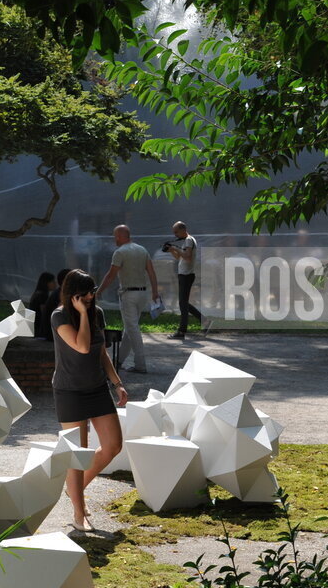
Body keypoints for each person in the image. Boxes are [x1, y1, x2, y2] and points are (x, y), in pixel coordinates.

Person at [52, 269, 129, 532]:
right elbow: (82, 346)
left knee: (113, 446)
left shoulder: (98, 313)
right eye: (83, 294)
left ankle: (75, 488)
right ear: (71, 294)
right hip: (70, 391)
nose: (89, 297)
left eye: (91, 292)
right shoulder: (59, 316)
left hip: (97, 389)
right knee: (78, 455)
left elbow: (99, 352)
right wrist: (83, 314)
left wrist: (117, 383)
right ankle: (78, 511)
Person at [97, 225, 160, 373]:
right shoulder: (142, 250)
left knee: (133, 329)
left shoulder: (120, 252)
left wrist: (99, 291)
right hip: (142, 294)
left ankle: (141, 365)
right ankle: (118, 361)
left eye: (115, 236)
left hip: (128, 295)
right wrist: (155, 292)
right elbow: (151, 273)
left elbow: (111, 275)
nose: (114, 239)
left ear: (119, 236)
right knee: (129, 329)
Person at [165, 220, 203, 340]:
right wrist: (172, 250)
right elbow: (180, 257)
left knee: (183, 303)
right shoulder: (187, 241)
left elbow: (187, 256)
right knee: (184, 302)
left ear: (183, 230)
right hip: (184, 274)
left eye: (176, 232)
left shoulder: (188, 240)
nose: (175, 234)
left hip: (186, 275)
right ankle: (205, 321)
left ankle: (181, 331)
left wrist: (175, 248)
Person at [40, 269, 71, 342]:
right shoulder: (62, 294)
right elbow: (61, 314)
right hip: (52, 334)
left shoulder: (59, 292)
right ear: (65, 281)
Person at [29, 272, 57, 339]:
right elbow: (44, 313)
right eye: (53, 282)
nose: (55, 284)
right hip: (38, 329)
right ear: (47, 283)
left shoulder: (38, 293)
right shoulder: (42, 295)